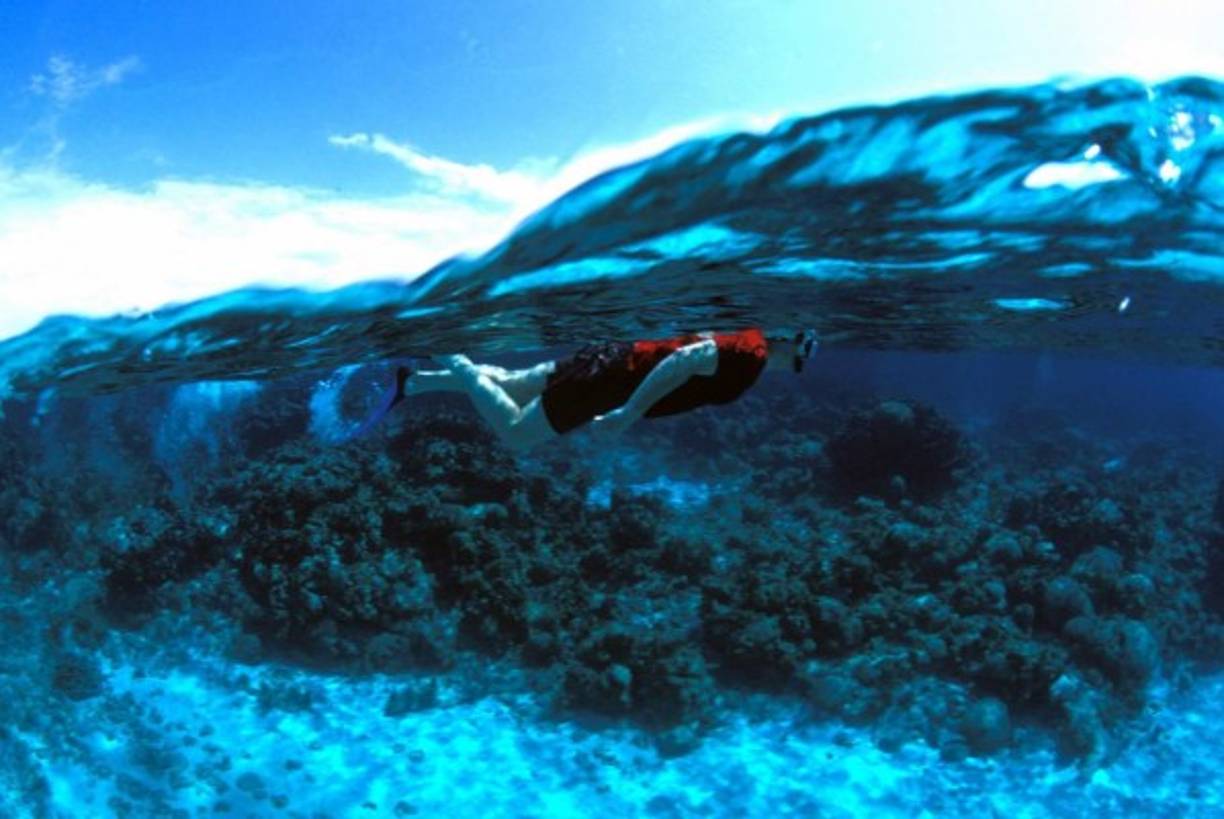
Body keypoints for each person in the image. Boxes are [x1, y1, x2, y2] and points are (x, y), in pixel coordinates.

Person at [359, 328, 816, 450]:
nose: (802, 358)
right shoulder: (751, 352)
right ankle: (449, 355)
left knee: (515, 385)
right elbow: (686, 359)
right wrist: (628, 413)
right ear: (789, 340)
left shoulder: (747, 340)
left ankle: (412, 383)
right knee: (517, 432)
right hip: (612, 384)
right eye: (804, 349)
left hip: (611, 358)